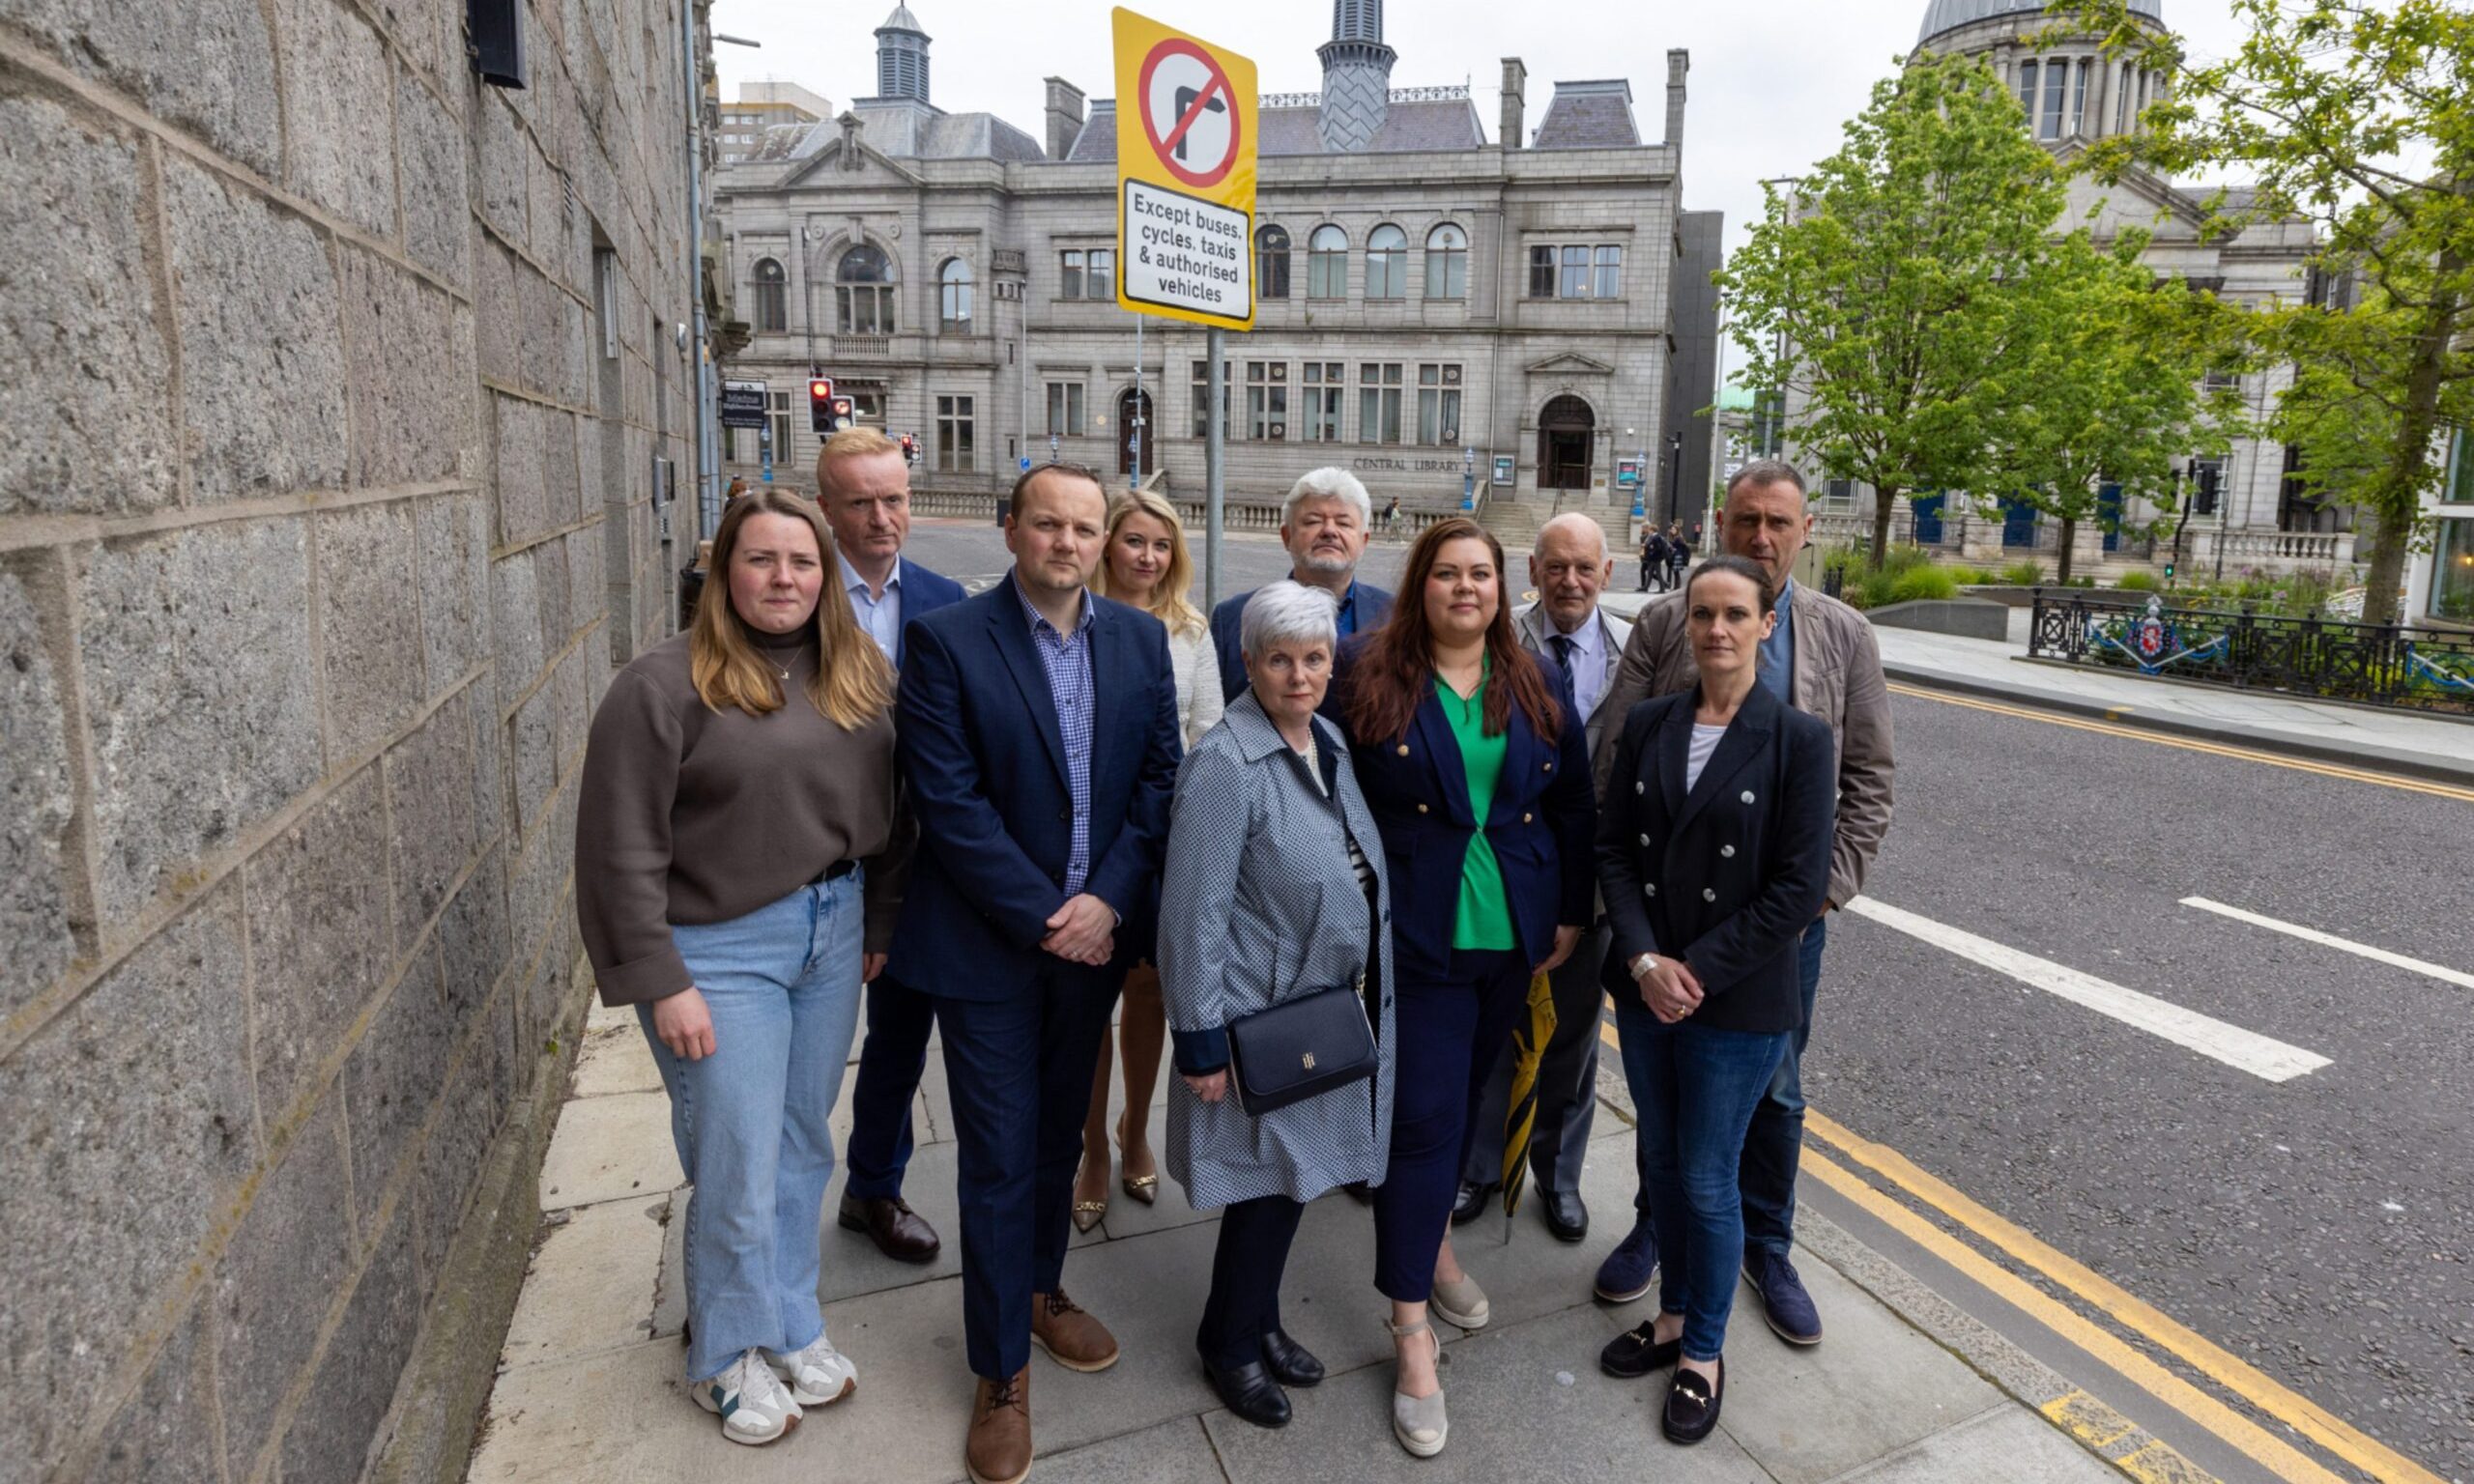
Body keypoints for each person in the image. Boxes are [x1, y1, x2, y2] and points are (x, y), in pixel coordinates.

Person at [573, 488, 906, 1446]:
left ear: (825, 576)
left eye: (801, 563)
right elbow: (617, 846)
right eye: (760, 560)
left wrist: (876, 916)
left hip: (831, 929)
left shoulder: (858, 674)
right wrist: (659, 977)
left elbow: (895, 815)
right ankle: (721, 1351)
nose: (784, 579)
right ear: (724, 573)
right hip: (719, 948)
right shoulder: (662, 685)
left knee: (802, 1139)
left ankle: (787, 1320)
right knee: (735, 1149)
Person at [887, 463, 1183, 1484]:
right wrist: (1047, 916)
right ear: (1010, 529)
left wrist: (1105, 902)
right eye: (1048, 523)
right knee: (1001, 1156)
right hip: (986, 949)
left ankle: (1041, 1291)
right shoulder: (946, 642)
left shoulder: (1139, 641)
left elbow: (1158, 781)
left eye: (1085, 527)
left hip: (1093, 943)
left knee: (1062, 1135)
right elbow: (948, 801)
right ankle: (999, 1369)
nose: (1067, 542)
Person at [1592, 459, 1894, 1345]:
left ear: (1805, 533)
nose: (1761, 536)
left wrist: (1820, 898)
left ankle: (1768, 1245)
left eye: (1779, 523)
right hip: (1665, 919)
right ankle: (1660, 1228)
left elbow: (1870, 777)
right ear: (1720, 524)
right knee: (1666, 1103)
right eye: (1745, 520)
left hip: (1781, 925)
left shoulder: (1843, 634)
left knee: (1778, 1096)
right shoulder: (1662, 621)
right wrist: (1640, 941)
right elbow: (1617, 755)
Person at [1336, 517, 1595, 1459]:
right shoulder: (1367, 672)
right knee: (1425, 1120)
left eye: (1480, 574)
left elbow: (1571, 801)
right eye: (1446, 574)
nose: (1464, 588)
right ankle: (1410, 1332)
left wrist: (1569, 908)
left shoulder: (1534, 678)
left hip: (1512, 936)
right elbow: (1325, 793)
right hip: (1418, 937)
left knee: (1461, 1106)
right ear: (1420, 585)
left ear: (1500, 587)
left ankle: (1432, 1248)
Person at [1591, 554, 1836, 1443]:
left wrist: (1693, 967)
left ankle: (1702, 1349)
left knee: (1705, 1176)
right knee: (1660, 1163)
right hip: (1653, 987)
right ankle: (1670, 1318)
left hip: (1732, 999)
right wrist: (1647, 960)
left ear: (1767, 624)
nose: (1717, 630)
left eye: (1736, 614)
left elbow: (1798, 887)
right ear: (1685, 623)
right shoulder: (1654, 720)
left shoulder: (1801, 741)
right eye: (1703, 614)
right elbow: (1613, 847)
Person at [1157, 582, 1395, 1431]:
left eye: (1316, 657)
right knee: (1265, 1189)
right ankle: (1227, 1343)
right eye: (1280, 659)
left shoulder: (1326, 738)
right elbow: (1191, 916)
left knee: (1292, 1185)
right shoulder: (1225, 765)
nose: (1301, 676)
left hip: (1319, 1016)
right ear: (1248, 663)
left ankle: (1259, 1321)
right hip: (1258, 1023)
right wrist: (1199, 1042)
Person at [1455, 514, 1633, 1243]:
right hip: (1506, 877)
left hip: (1594, 883)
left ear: (1607, 573)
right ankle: (1480, 1168)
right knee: (1492, 1032)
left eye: (1584, 568)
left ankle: (1558, 1176)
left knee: (1575, 1039)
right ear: (1531, 570)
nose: (1569, 581)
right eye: (1555, 566)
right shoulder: (1498, 640)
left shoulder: (1637, 649)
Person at [819, 426, 967, 1266]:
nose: (882, 518)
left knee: (900, 1037)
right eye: (862, 502)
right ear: (827, 510)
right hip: (820, 863)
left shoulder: (947, 597)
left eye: (895, 499)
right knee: (807, 1060)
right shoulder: (802, 594)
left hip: (922, 862)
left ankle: (873, 1187)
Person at [1073, 490, 1224, 1230]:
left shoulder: (1191, 631)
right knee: (1088, 996)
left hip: (1165, 836)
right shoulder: (1077, 615)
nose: (1147, 557)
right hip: (1086, 839)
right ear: (1107, 545)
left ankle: (1136, 1130)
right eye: (1134, 541)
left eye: (1161, 545)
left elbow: (1209, 734)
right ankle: (1092, 1146)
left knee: (1150, 991)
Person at [1208, 467, 1394, 705]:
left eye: (1344, 523)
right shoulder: (1232, 618)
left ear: (1364, 541)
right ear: (1286, 537)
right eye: (1313, 521)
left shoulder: (1396, 616)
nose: (1329, 531)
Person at [1641, 525, 1670, 593]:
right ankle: (1646, 587)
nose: (1649, 531)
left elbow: (1657, 548)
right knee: (1650, 572)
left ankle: (1662, 589)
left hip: (1656, 558)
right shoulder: (1655, 536)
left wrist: (1651, 549)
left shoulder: (1656, 537)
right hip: (1653, 558)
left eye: (1650, 530)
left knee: (1658, 573)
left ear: (1652, 530)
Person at [1668, 523, 1693, 588]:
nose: (1672, 531)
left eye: (1673, 529)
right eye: (1672, 529)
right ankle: (1676, 586)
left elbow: (1677, 547)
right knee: (1676, 572)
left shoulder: (1678, 538)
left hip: (1677, 556)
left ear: (1677, 530)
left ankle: (1677, 587)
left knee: (1676, 572)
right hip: (1677, 555)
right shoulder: (1678, 537)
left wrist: (1671, 547)